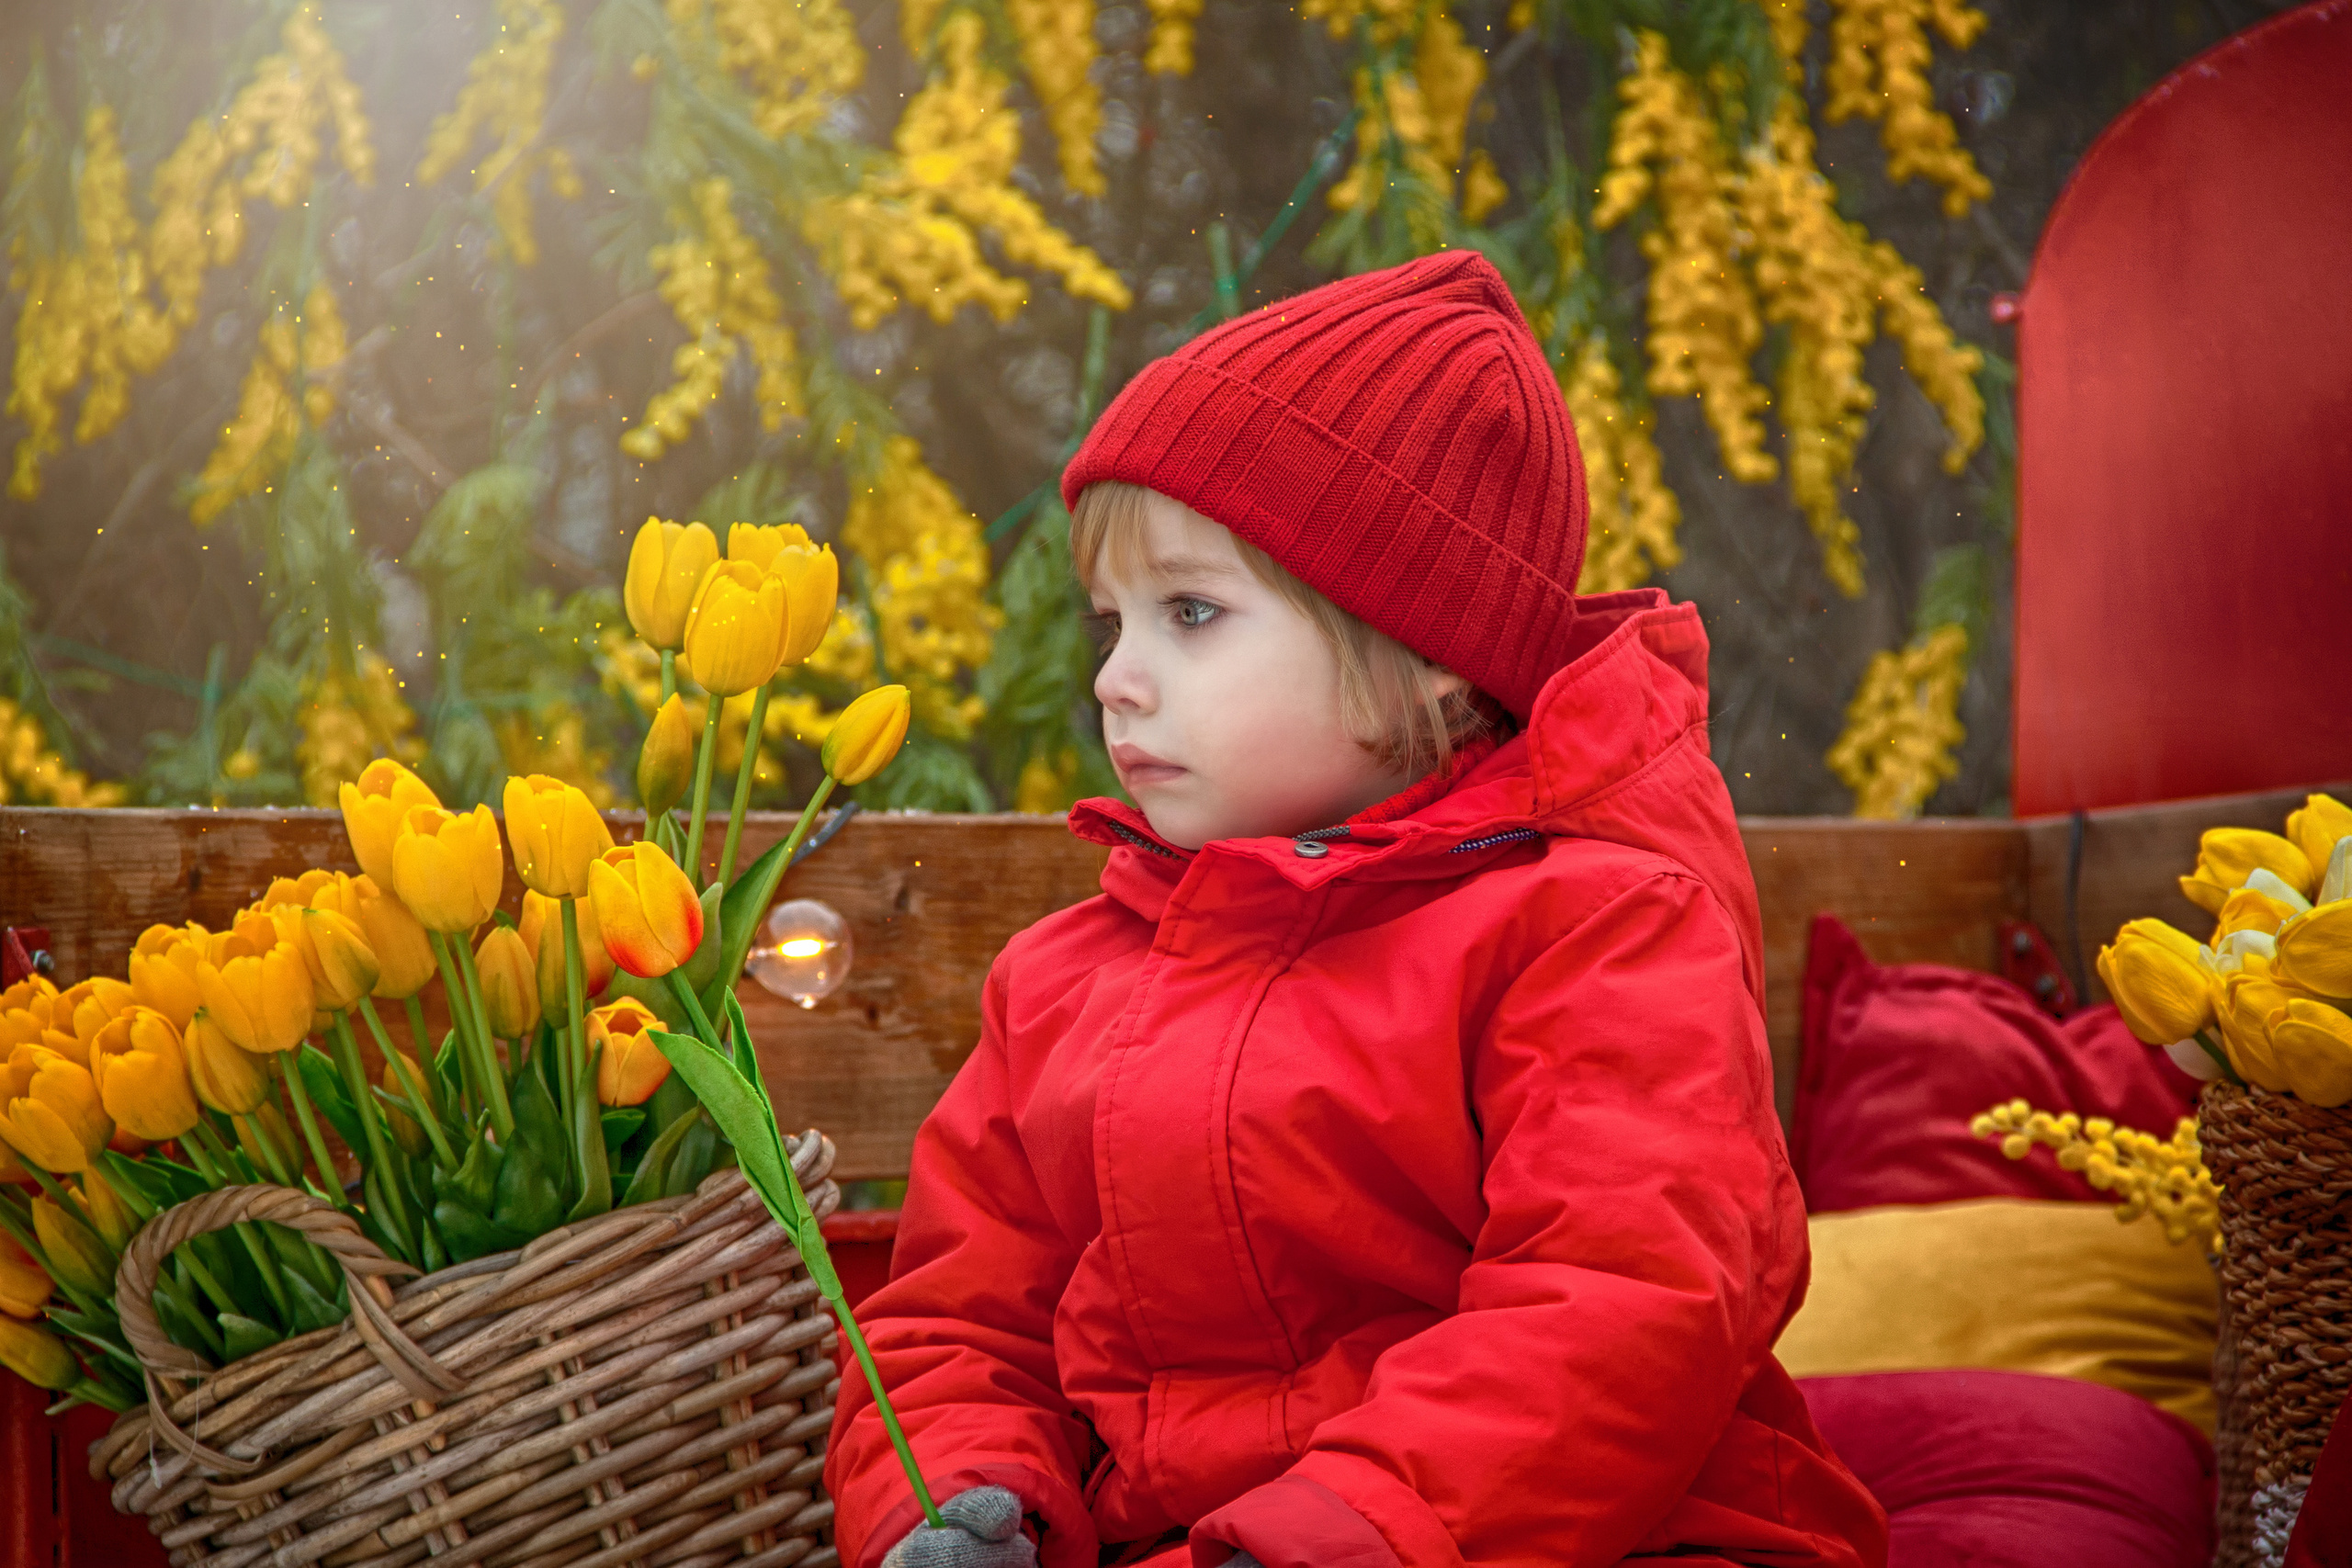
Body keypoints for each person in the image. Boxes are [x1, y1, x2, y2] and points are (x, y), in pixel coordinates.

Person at [826, 251, 1887, 1568]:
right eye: (1111, 623)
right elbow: (960, 1317)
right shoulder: (1067, 977)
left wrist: (1341, 1534)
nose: (1119, 681)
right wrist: (968, 1500)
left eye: (1193, 614)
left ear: (1425, 648)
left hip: (1597, 1537)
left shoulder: (1594, 927)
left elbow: (1624, 1308)